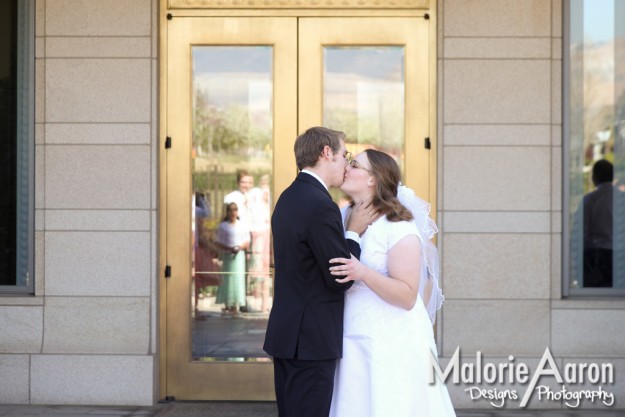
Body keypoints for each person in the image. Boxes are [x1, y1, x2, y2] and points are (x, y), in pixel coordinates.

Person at [328, 149, 456, 417]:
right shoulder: (342, 216)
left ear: (373, 179)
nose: (347, 168)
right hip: (351, 335)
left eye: (355, 164)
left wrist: (362, 272)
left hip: (391, 340)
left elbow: (408, 296)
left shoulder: (398, 226)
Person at [263, 126, 374, 417]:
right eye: (344, 155)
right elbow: (340, 277)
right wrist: (353, 234)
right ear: (327, 153)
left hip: (289, 334)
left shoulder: (289, 196)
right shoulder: (320, 205)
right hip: (310, 341)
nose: (346, 164)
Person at [581, 159, 614, 287]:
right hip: (619, 253)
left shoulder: (589, 200)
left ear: (594, 177)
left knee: (594, 293)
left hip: (595, 256)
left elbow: (582, 232)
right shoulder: (621, 199)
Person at [215, 202, 250, 315]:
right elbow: (219, 242)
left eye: (235, 210)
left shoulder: (242, 225)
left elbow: (247, 241)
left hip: (239, 255)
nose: (232, 212)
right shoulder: (223, 226)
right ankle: (228, 303)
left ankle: (239, 303)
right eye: (230, 210)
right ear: (227, 212)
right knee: (228, 278)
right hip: (227, 255)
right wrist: (229, 249)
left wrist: (239, 247)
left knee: (238, 278)